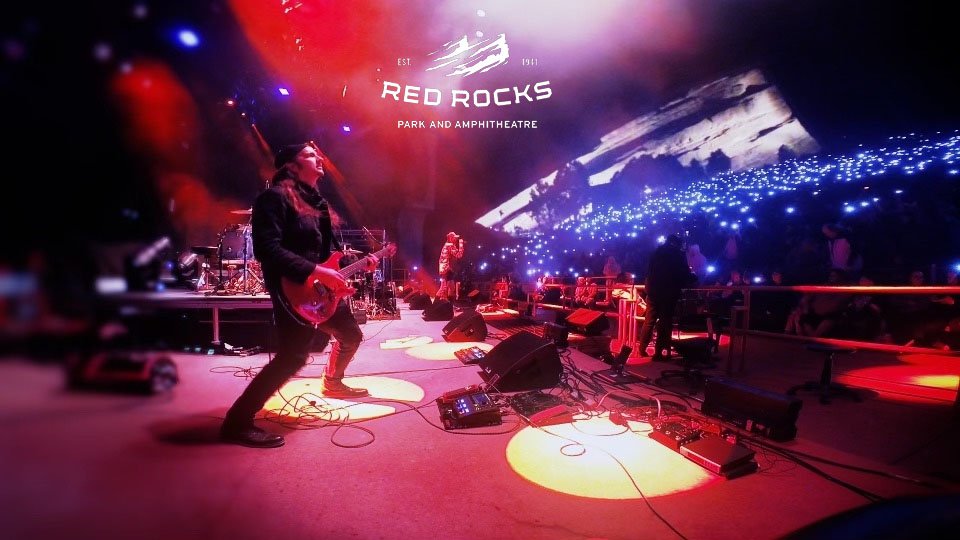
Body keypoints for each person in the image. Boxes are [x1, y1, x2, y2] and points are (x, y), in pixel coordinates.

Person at [220, 141, 379, 449]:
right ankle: (236, 422)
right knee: (292, 357)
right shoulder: (274, 198)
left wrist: (356, 263)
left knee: (350, 335)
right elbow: (267, 249)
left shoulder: (317, 203)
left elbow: (326, 253)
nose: (319, 157)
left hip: (324, 290)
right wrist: (316, 271)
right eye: (309, 154)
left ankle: (332, 382)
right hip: (293, 288)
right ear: (291, 166)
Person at [637, 234, 697, 360]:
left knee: (649, 320)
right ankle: (659, 353)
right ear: (676, 243)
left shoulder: (656, 252)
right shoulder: (677, 254)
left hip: (653, 290)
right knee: (665, 321)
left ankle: (642, 348)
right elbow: (683, 273)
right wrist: (693, 277)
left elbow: (648, 270)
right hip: (668, 292)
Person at [437, 231, 465, 301]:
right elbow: (459, 255)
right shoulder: (449, 245)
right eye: (454, 238)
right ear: (451, 238)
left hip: (446, 268)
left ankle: (449, 302)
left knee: (450, 287)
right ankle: (438, 301)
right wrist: (461, 244)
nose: (456, 239)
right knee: (444, 288)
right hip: (445, 268)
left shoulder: (449, 245)